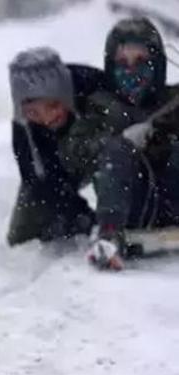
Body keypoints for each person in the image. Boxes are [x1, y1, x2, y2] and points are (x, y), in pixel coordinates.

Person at [59, 17, 179, 270]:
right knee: (116, 151)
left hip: (173, 199)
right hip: (129, 210)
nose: (132, 71)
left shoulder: (172, 101)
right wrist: (119, 141)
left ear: (156, 65)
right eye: (123, 63)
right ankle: (108, 239)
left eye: (141, 63)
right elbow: (73, 154)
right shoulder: (100, 106)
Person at [6, 47, 106, 246]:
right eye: (33, 113)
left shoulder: (97, 88)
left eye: (52, 106)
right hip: (60, 167)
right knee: (23, 236)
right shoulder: (24, 129)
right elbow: (38, 182)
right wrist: (81, 217)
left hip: (107, 156)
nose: (46, 118)